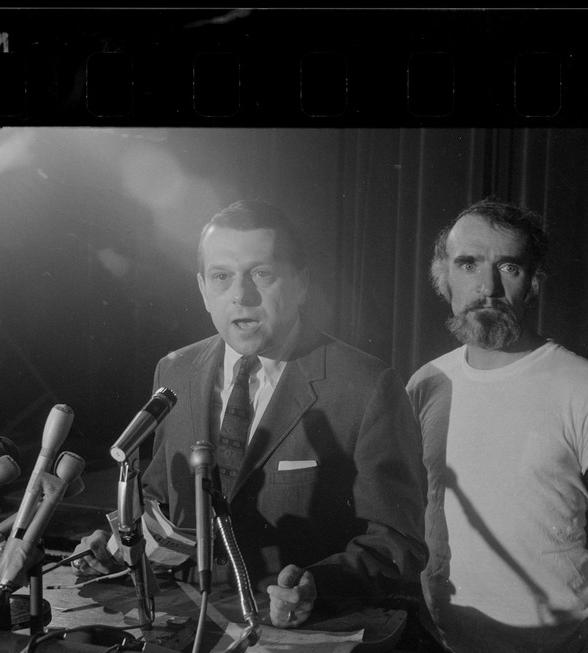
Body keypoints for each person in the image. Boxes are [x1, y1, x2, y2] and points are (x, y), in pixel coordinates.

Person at [78, 200, 427, 629]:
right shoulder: (174, 370)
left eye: (262, 274)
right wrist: (119, 547)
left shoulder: (367, 386)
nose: (241, 295)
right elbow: (161, 502)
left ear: (301, 285)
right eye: (222, 277)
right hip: (187, 623)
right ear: (204, 289)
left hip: (303, 633)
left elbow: (399, 541)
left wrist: (317, 585)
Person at [406, 198, 588, 653]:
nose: (487, 287)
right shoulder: (425, 384)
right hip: (442, 646)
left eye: (509, 267)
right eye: (468, 264)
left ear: (533, 282)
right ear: (444, 278)